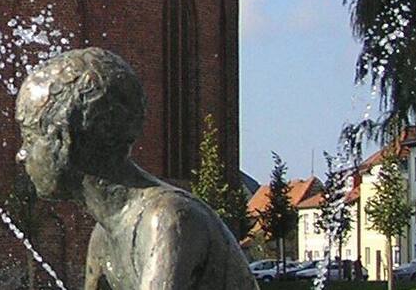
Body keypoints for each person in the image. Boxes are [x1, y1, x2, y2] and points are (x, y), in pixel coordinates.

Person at [16, 48, 257, 289]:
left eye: (29, 137)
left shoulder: (167, 220)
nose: (21, 155)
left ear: (64, 141)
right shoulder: (104, 237)